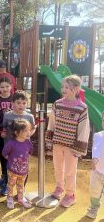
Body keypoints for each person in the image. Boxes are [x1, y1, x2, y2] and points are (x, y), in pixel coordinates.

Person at [45, 75, 90, 208]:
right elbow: (52, 122)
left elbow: (84, 129)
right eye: (62, 86)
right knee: (58, 168)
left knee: (70, 171)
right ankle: (59, 188)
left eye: (67, 87)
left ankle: (71, 195)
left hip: (71, 146)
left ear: (76, 89)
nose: (63, 89)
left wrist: (78, 147)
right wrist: (49, 139)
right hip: (58, 142)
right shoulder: (57, 104)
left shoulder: (82, 108)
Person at [1, 90, 36, 195]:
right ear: (13, 103)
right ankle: (8, 186)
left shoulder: (29, 117)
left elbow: (33, 128)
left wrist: (30, 133)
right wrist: (3, 132)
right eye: (18, 103)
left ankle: (21, 189)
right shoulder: (7, 115)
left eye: (24, 103)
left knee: (23, 166)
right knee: (9, 166)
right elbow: (4, 127)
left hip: (23, 148)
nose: (21, 105)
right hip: (10, 147)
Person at [2, 119, 33, 209]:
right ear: (16, 132)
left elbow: (30, 152)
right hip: (12, 170)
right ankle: (10, 199)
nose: (28, 132)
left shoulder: (28, 142)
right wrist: (12, 160)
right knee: (10, 184)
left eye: (29, 130)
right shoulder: (11, 143)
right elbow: (4, 153)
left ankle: (21, 198)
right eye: (25, 131)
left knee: (21, 185)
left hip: (23, 170)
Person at [86, 111, 104, 219]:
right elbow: (96, 148)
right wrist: (95, 158)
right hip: (97, 170)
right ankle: (94, 208)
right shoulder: (98, 135)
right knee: (94, 191)